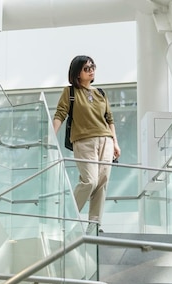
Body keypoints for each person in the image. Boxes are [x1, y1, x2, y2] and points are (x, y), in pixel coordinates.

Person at [52, 55, 121, 232]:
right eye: (86, 68)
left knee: (101, 183)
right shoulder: (70, 92)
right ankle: (68, 217)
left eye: (93, 67)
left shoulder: (101, 93)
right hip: (83, 141)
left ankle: (95, 225)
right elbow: (60, 113)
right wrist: (51, 136)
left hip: (106, 139)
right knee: (90, 181)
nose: (91, 70)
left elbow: (109, 118)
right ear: (77, 73)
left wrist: (115, 142)